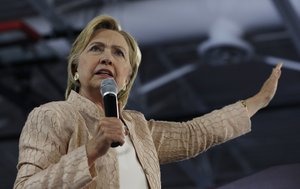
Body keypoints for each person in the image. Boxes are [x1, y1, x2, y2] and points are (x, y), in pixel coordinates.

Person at [13, 15, 282, 189]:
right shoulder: (52, 116)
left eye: (118, 53)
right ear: (75, 68)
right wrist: (91, 150)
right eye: (96, 49)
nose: (107, 58)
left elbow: (194, 134)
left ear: (127, 79)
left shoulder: (138, 128)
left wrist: (257, 102)